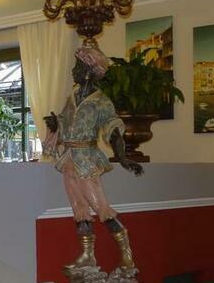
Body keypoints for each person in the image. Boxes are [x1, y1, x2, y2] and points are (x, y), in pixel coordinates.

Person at [44, 44, 143, 270]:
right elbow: (64, 122)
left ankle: (126, 254)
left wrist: (123, 157)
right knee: (79, 209)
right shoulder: (72, 97)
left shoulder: (101, 102)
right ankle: (88, 254)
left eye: (78, 66)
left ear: (89, 70)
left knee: (102, 208)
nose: (74, 70)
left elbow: (113, 129)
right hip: (69, 161)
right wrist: (55, 124)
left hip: (87, 160)